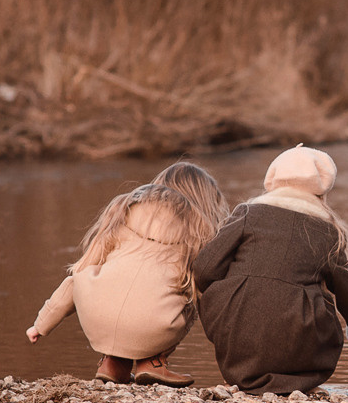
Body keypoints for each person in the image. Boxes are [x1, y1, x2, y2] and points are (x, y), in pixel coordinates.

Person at [191, 145, 348, 394]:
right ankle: (295, 379)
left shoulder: (247, 213)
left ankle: (244, 371)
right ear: (322, 188)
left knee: (230, 288)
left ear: (272, 178)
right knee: (326, 295)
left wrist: (232, 302)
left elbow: (204, 268)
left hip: (235, 341)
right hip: (299, 344)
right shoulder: (326, 231)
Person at [26, 160, 230, 387]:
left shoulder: (123, 210)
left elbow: (78, 275)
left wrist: (40, 325)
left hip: (96, 320)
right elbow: (207, 295)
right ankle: (153, 363)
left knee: (86, 279)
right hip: (154, 327)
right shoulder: (199, 230)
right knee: (190, 288)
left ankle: (112, 364)